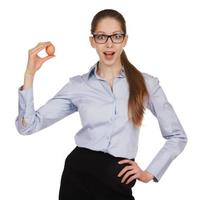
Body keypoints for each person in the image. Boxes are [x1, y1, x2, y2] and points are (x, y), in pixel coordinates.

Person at [15, 9, 187, 200]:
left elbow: (177, 136)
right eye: (101, 37)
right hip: (77, 178)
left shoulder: (146, 84)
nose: (109, 43)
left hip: (117, 183)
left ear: (125, 40)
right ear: (92, 41)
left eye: (116, 36)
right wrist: (30, 75)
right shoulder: (78, 85)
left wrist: (150, 172)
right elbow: (28, 126)